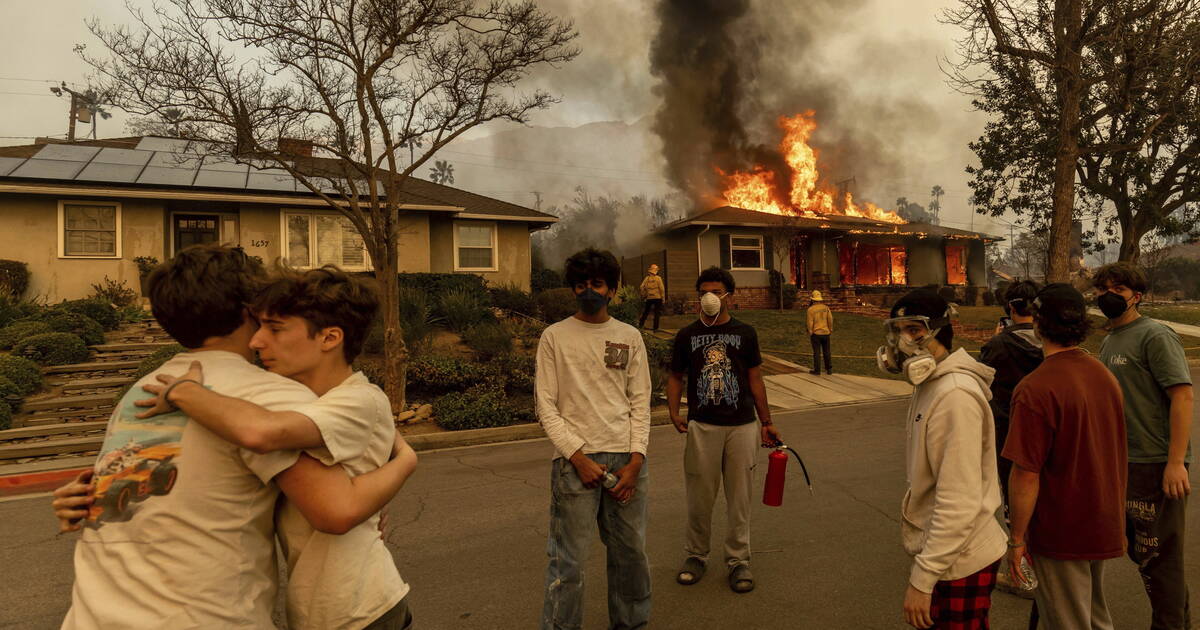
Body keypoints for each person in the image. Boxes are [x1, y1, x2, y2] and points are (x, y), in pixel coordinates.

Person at [50, 245, 415, 630]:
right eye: (265, 322)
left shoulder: (141, 391)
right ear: (249, 311)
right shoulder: (269, 396)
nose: (261, 339)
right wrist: (405, 462)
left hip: (90, 616)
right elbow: (337, 508)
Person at [536, 248, 652, 630]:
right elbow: (546, 407)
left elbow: (640, 401)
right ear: (573, 290)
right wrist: (578, 457)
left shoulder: (629, 336)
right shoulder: (554, 337)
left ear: (612, 290)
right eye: (581, 284)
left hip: (626, 462)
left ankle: (631, 622)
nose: (589, 290)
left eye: (597, 284)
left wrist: (637, 460)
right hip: (574, 466)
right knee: (567, 562)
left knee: (630, 555)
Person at [878, 288, 1006, 630]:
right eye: (898, 330)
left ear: (941, 330)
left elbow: (958, 500)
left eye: (915, 330)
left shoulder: (954, 396)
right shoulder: (931, 385)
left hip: (962, 558)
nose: (903, 341)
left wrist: (923, 578)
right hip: (950, 552)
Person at [1003, 283, 1127, 630]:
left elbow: (1026, 473)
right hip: (1102, 518)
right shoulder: (1103, 375)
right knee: (1095, 616)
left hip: (1062, 529)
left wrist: (1017, 540)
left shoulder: (1035, 389)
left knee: (1069, 622)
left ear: (1038, 324)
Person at [668, 266, 782, 594]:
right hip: (702, 426)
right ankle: (696, 555)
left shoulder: (745, 333)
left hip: (742, 426)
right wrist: (674, 412)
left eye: (716, 292)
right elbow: (676, 376)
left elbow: (755, 378)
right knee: (699, 498)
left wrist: (767, 421)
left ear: (729, 295)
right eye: (704, 291)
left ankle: (738, 560)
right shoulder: (687, 335)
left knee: (740, 498)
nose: (710, 298)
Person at [1094, 261, 1194, 630]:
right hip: (1125, 462)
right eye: (1103, 289)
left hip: (1156, 463)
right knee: (1146, 554)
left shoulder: (1155, 335)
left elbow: (1182, 396)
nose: (1108, 296)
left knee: (1159, 557)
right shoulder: (1109, 339)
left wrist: (1176, 462)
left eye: (1117, 290)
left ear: (1136, 296)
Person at [978, 279, 1043, 503]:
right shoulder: (1051, 343)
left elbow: (981, 381)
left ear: (1011, 309)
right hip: (1045, 428)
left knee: (1014, 493)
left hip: (1008, 430)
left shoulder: (998, 346)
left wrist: (995, 340)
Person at [805, 289, 834, 375]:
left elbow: (810, 322)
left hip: (816, 334)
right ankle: (829, 369)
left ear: (812, 299)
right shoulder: (826, 308)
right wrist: (830, 329)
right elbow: (830, 319)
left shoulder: (810, 310)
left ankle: (817, 370)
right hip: (826, 333)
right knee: (827, 351)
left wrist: (810, 331)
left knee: (817, 352)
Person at [639, 263, 665, 331]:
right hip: (657, 298)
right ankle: (655, 328)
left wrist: (643, 294)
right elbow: (662, 289)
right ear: (656, 271)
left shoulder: (647, 279)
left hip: (649, 298)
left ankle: (640, 324)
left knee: (646, 312)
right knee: (656, 313)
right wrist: (663, 298)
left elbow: (641, 287)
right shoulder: (658, 278)